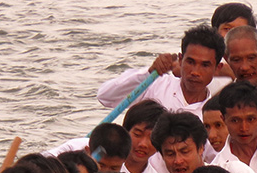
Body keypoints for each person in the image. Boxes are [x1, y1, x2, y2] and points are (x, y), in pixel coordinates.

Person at [96, 24, 226, 118]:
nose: (195, 72)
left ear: (217, 68)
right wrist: (149, 73)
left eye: (205, 65)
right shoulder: (156, 85)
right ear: (180, 60)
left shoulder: (217, 113)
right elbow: (105, 97)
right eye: (190, 62)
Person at [121, 99, 173, 173]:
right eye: (137, 134)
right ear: (125, 131)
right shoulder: (100, 160)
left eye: (151, 138)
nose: (143, 144)